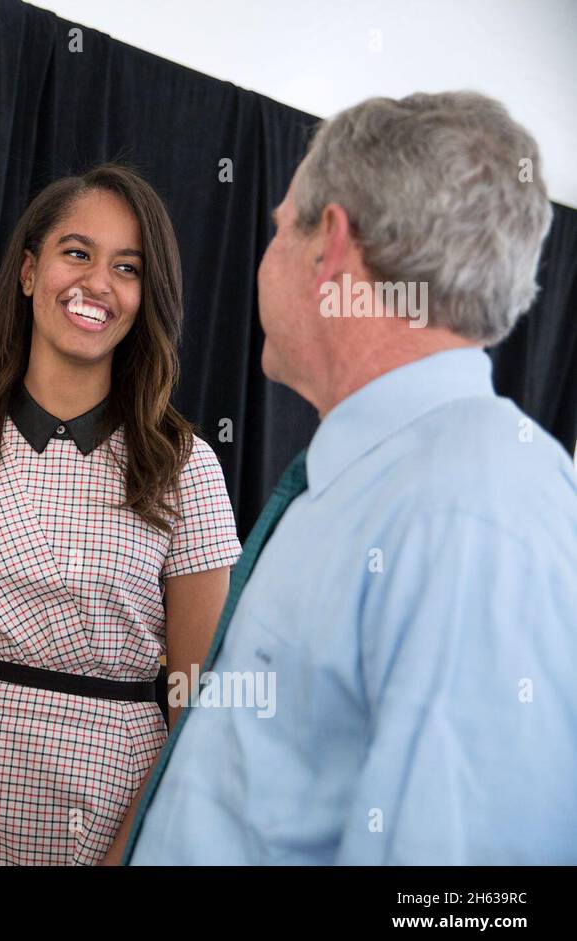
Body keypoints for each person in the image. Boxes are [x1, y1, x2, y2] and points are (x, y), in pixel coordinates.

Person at [127, 91, 577, 865]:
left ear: (328, 244)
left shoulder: (473, 513)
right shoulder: (369, 476)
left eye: (277, 230)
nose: (264, 257)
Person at [0, 164, 242, 865]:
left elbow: (195, 705)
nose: (97, 284)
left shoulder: (185, 465)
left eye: (128, 267)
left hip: (117, 813)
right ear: (28, 271)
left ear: (147, 296)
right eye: (77, 253)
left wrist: (126, 858)